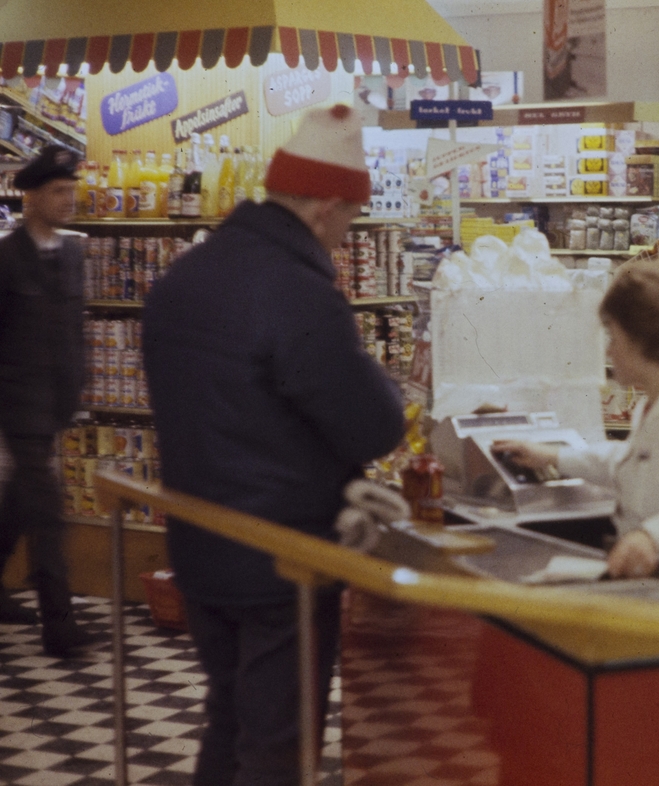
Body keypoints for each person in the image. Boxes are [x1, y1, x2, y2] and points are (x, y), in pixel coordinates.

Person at [143, 105, 406, 786]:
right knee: (279, 746)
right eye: (349, 220)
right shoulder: (299, 294)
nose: (346, 240)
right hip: (282, 562)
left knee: (229, 715)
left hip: (199, 546)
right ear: (325, 207)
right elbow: (373, 425)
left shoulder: (182, 279)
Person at [494, 259, 659, 578]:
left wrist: (648, 536)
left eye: (614, 338)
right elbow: (630, 460)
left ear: (642, 342)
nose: (608, 351)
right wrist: (552, 455)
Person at [0, 145, 93, 658]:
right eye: (58, 191)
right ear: (30, 196)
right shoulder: (6, 258)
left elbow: (72, 331)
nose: (68, 199)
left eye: (71, 190)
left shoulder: (73, 252)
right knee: (46, 506)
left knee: (20, 497)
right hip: (17, 400)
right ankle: (58, 622)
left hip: (57, 398)